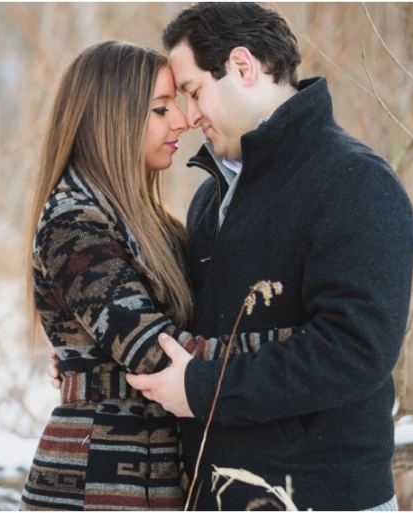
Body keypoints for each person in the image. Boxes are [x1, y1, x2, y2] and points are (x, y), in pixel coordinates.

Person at [125, 3, 413, 511]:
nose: (188, 117)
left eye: (193, 91)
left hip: (321, 498)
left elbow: (355, 350)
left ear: (243, 67)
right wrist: (85, 347)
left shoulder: (355, 183)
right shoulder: (208, 201)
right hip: (215, 494)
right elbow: (184, 324)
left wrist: (204, 390)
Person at [23, 40, 290, 511]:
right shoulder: (73, 222)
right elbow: (158, 351)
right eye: (162, 109)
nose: (184, 120)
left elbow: (190, 323)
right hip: (94, 481)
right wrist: (301, 344)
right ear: (114, 116)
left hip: (158, 472)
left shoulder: (153, 221)